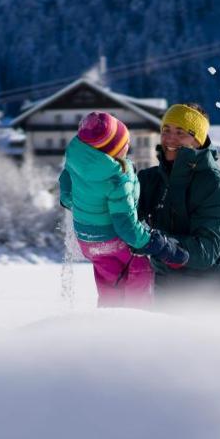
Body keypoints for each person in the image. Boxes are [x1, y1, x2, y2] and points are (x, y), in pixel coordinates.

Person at [59, 112, 188, 308]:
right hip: (115, 241)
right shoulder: (118, 178)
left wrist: (89, 208)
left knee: (110, 279)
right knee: (140, 268)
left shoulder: (75, 162)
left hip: (87, 241)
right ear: (114, 149)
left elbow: (66, 196)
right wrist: (159, 245)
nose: (128, 147)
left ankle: (109, 320)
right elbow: (126, 226)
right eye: (125, 143)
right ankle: (137, 320)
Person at [136, 103, 220, 309]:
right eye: (166, 130)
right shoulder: (150, 179)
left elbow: (207, 251)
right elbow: (126, 222)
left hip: (210, 293)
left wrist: (160, 244)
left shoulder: (213, 185)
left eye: (180, 132)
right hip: (165, 288)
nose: (170, 138)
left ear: (197, 140)